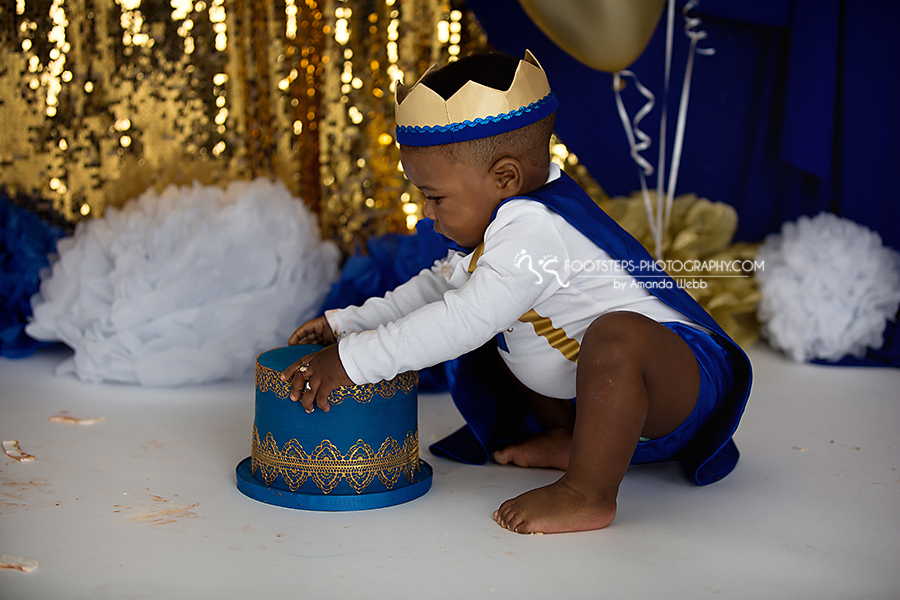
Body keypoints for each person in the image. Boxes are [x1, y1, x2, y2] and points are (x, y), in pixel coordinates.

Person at [281, 50, 752, 534]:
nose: (426, 212)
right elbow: (433, 288)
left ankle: (587, 493)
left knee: (615, 336)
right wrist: (348, 324)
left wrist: (352, 361)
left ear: (504, 178)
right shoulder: (500, 219)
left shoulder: (535, 227)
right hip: (608, 408)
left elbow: (462, 321)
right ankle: (569, 437)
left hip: (680, 390)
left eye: (435, 196)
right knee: (513, 332)